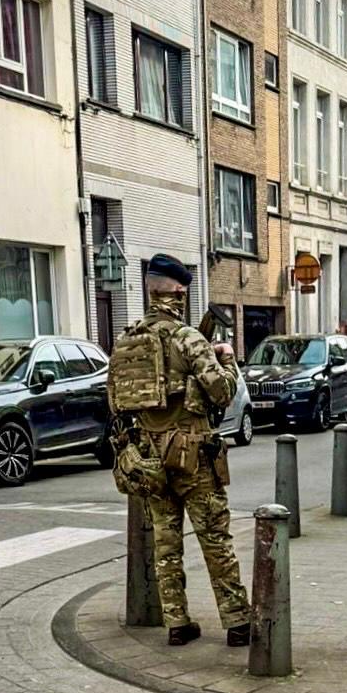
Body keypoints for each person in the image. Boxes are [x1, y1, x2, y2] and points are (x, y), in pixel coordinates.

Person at [106, 254, 251, 646]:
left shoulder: (126, 342)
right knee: (215, 538)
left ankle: (177, 624)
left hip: (148, 458)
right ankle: (238, 623)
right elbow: (222, 392)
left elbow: (116, 405)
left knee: (166, 543)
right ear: (179, 292)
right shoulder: (189, 339)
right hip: (191, 454)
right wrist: (228, 362)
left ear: (150, 291)